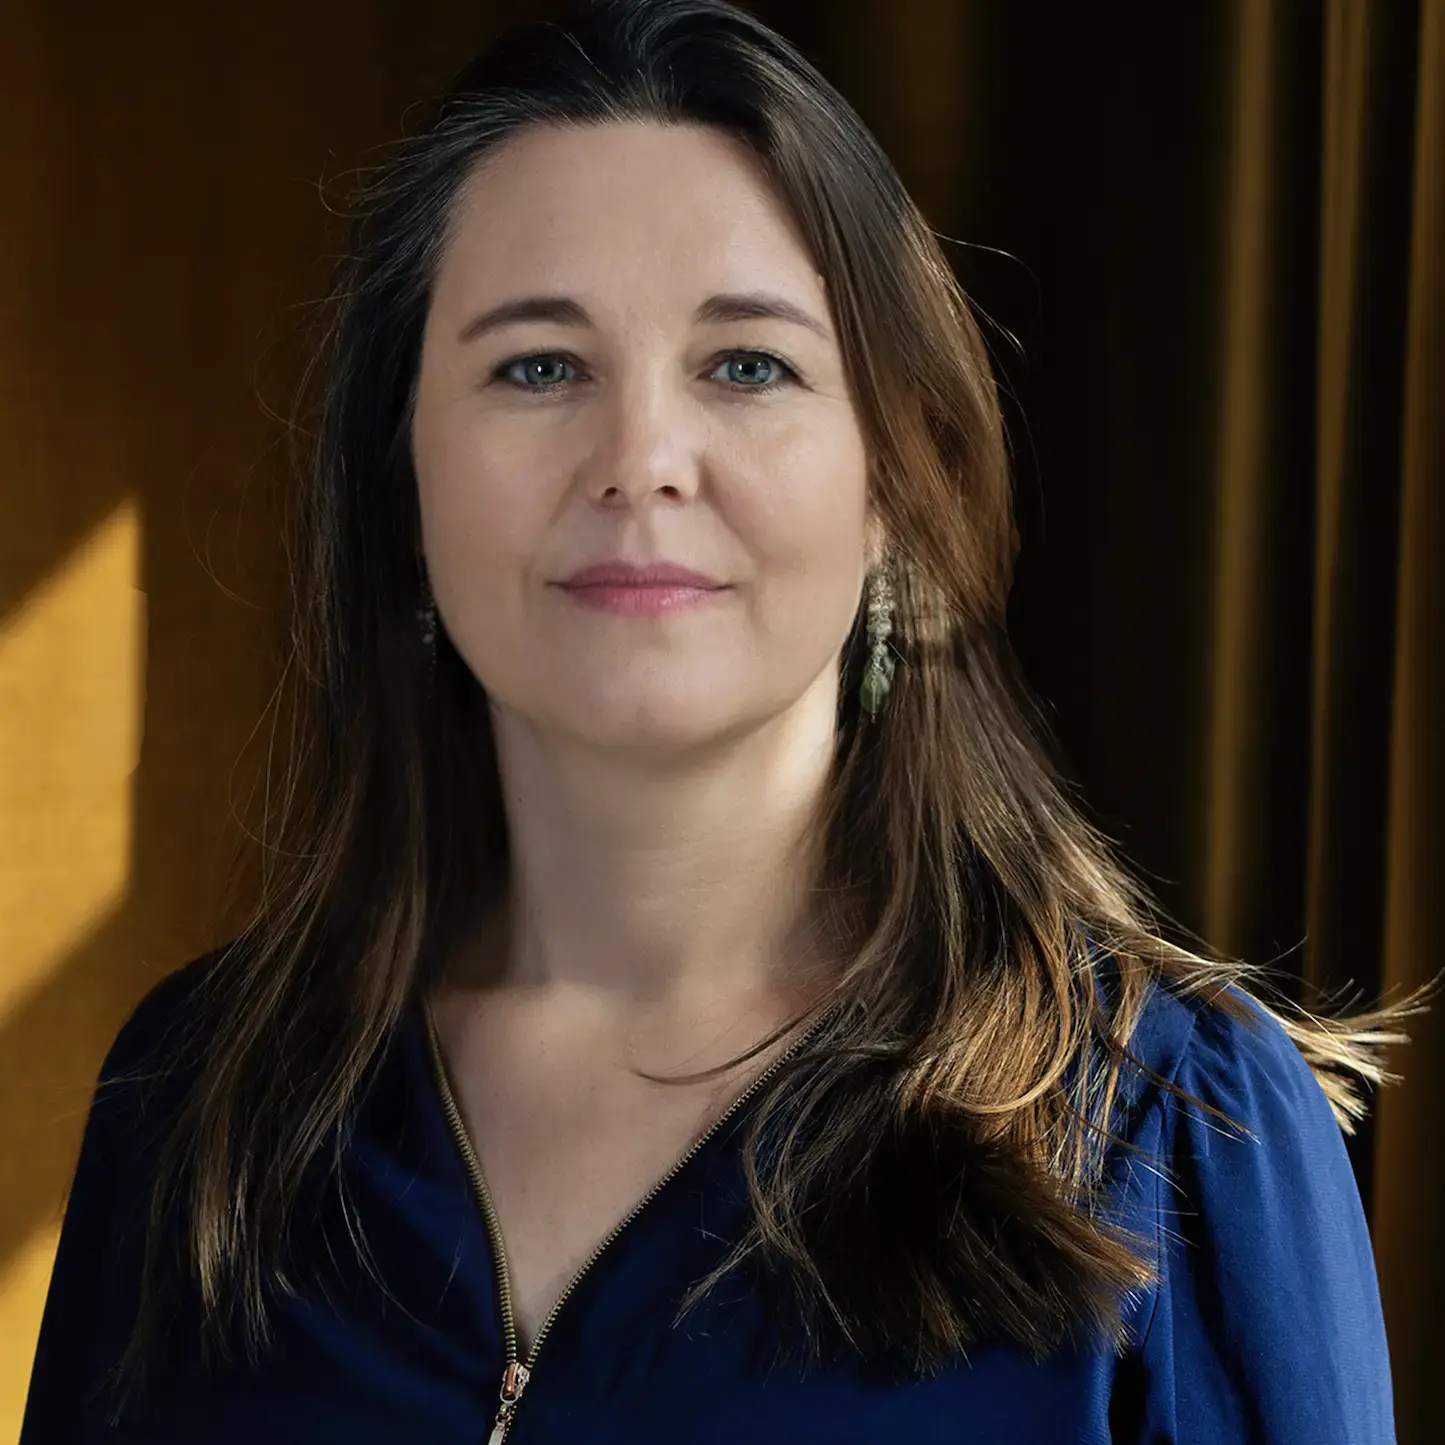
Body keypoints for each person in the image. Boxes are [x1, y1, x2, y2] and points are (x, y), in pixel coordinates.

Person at [20, 1, 1421, 1440]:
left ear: (896, 485)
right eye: (538, 367)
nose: (639, 460)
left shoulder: (1176, 1137)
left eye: (749, 365)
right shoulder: (195, 1106)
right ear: (403, 480)